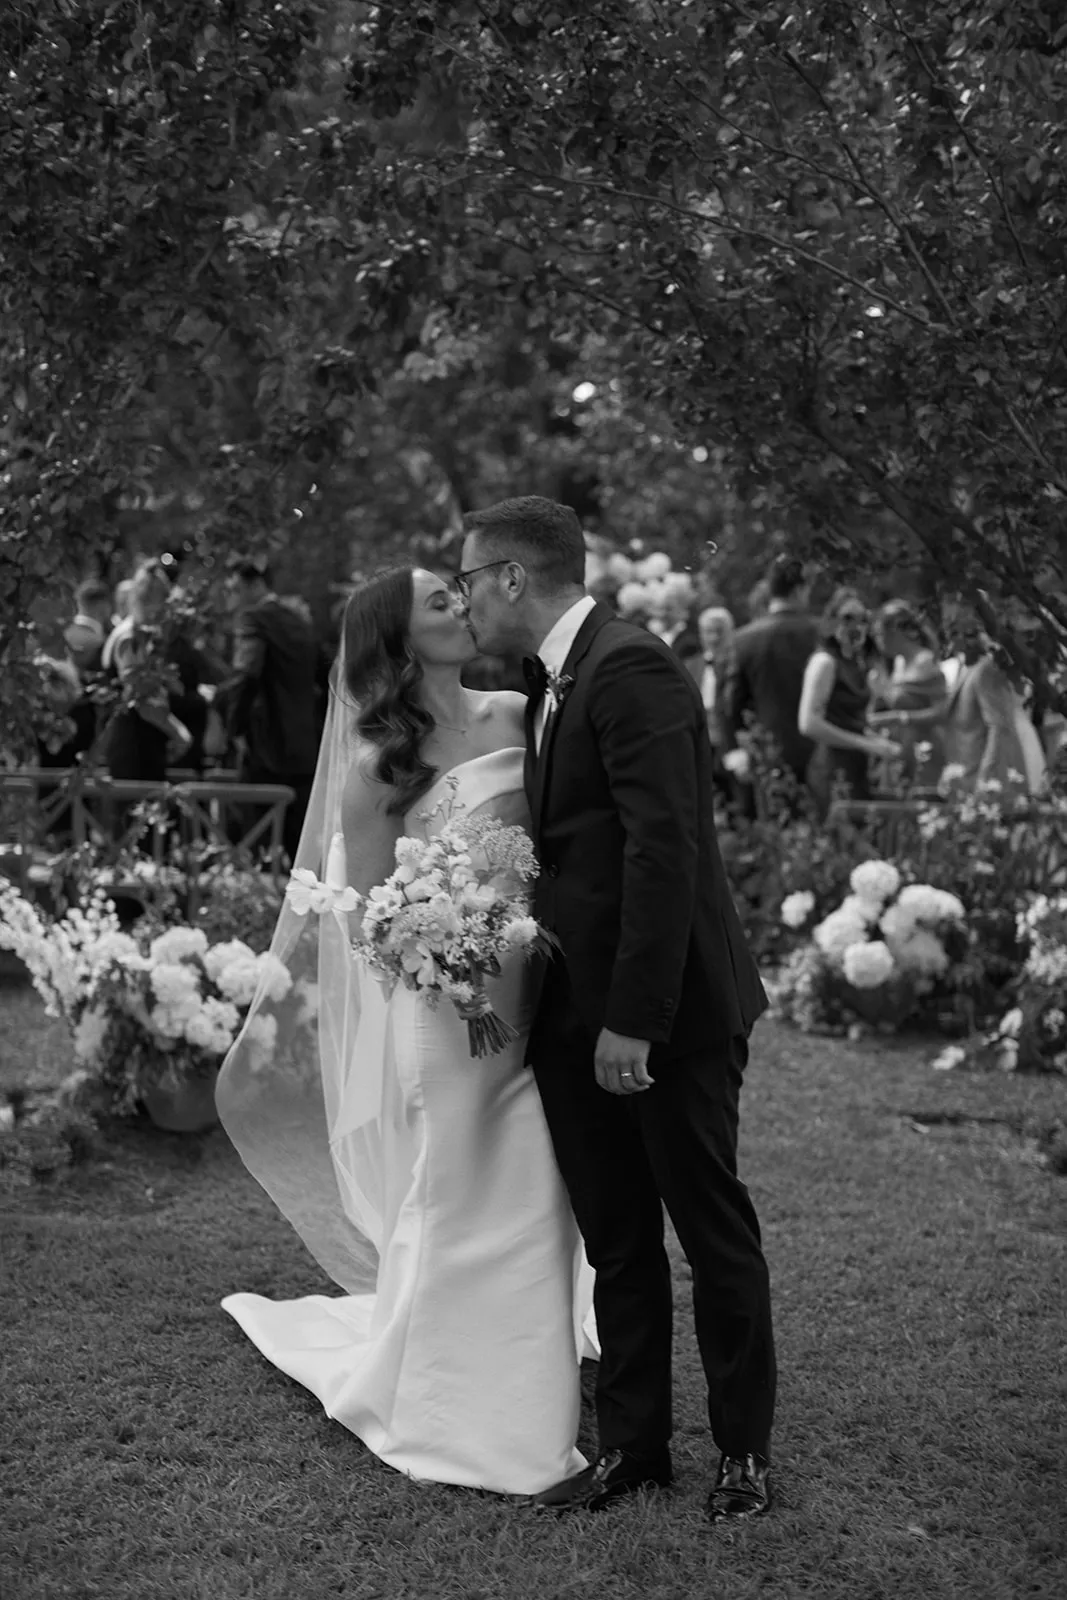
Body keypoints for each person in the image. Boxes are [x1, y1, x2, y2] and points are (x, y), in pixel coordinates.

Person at [216, 567, 595, 1496]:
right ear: (396, 639)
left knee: (537, 1182)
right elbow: (368, 916)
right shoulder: (381, 764)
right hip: (444, 1007)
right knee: (461, 1181)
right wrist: (444, 965)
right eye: (439, 602)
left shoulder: (519, 713)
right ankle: (446, 1397)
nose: (462, 607)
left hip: (536, 987)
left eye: (459, 596)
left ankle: (519, 1366)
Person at [460, 496, 775, 1524]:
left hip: (666, 1013)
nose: (463, 600)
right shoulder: (547, 678)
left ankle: (741, 1451)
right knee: (618, 1240)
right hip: (571, 1013)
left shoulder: (627, 666)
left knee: (707, 1227)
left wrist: (634, 1019)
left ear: (512, 577)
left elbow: (663, 850)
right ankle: (635, 1446)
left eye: (468, 580)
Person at [217, 557, 323, 862]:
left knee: (257, 850)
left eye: (236, 589)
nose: (233, 598)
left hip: (265, 752)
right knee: (300, 855)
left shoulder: (252, 619)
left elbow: (245, 676)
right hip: (304, 750)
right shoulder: (299, 622)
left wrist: (234, 729)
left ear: (255, 584)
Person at [721, 555, 819, 791]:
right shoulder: (822, 633)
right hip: (822, 752)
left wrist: (734, 750)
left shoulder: (743, 640)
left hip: (767, 755)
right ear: (800, 590)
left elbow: (729, 704)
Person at [937, 603, 1046, 795]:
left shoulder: (988, 669)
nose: (957, 638)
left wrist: (987, 777)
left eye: (969, 633)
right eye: (952, 631)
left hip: (988, 775)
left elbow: (999, 727)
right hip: (966, 770)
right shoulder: (966, 665)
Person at [102, 560, 193, 781]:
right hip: (133, 747)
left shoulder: (142, 636)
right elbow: (140, 698)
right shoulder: (129, 638)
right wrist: (179, 734)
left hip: (144, 742)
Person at [868, 600, 950, 789]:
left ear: (896, 632)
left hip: (925, 746)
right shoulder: (898, 662)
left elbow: (941, 711)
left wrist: (899, 717)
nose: (878, 641)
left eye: (880, 634)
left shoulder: (925, 662)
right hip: (900, 746)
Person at [689, 606, 753, 818]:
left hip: (732, 743)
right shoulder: (690, 666)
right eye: (709, 632)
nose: (714, 638)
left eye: (720, 631)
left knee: (741, 805)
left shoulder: (741, 663)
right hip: (700, 745)